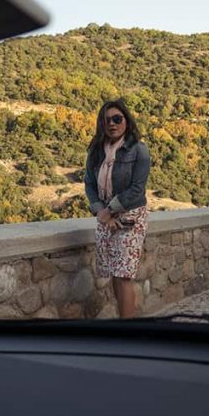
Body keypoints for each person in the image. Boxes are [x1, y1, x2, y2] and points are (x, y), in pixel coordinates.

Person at [84, 100, 151, 318]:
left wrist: (109, 210)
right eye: (107, 120)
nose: (112, 124)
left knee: (124, 275)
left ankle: (127, 330)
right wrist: (100, 211)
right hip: (105, 215)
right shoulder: (96, 152)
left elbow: (137, 189)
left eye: (117, 119)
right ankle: (122, 322)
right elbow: (89, 184)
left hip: (130, 215)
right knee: (114, 272)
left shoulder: (139, 150)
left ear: (126, 121)